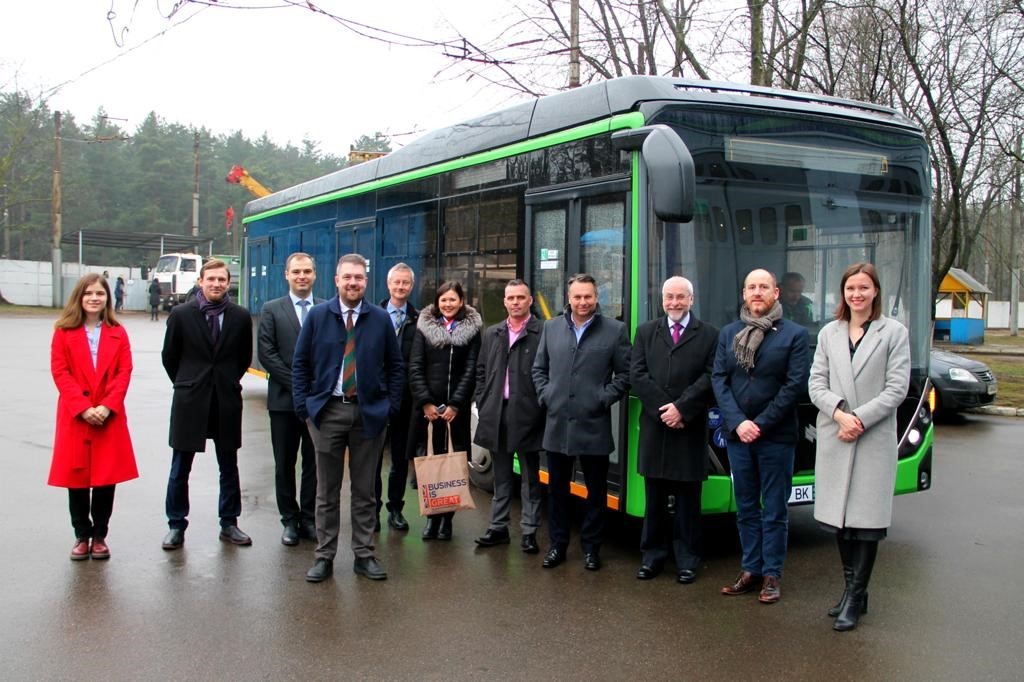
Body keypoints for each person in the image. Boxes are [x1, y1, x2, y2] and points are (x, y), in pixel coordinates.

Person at [808, 263, 910, 631]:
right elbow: (815, 383)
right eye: (851, 288)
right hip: (837, 433)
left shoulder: (893, 333)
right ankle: (854, 590)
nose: (857, 294)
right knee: (841, 522)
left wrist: (859, 419)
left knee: (866, 523)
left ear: (875, 292)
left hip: (871, 437)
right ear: (843, 293)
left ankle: (855, 594)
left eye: (864, 288)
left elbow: (897, 389)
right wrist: (839, 414)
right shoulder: (828, 333)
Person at [292, 254, 404, 583]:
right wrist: (305, 409)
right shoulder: (317, 316)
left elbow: (395, 367)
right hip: (327, 412)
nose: (353, 283)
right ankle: (324, 556)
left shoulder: (380, 319)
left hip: (368, 414)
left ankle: (364, 555)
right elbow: (300, 364)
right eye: (347, 277)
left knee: (365, 490)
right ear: (336, 281)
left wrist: (389, 407)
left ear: (366, 282)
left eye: (358, 277)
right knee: (326, 491)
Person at [712, 268, 809, 603]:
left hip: (776, 436)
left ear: (776, 293)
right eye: (751, 287)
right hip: (739, 436)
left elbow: (794, 385)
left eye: (763, 287)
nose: (757, 292)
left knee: (775, 510)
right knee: (747, 507)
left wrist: (761, 423)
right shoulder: (729, 333)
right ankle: (750, 569)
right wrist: (739, 422)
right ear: (743, 294)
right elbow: (719, 381)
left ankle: (772, 575)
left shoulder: (794, 335)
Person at [532, 273, 631, 571]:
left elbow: (626, 375)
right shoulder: (551, 328)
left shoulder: (615, 330)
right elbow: (539, 369)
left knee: (596, 492)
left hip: (593, 424)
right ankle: (557, 546)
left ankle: (591, 549)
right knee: (557, 491)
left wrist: (602, 398)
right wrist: (548, 395)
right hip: (558, 423)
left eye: (588, 296)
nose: (582, 302)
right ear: (568, 297)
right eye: (577, 296)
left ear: (596, 297)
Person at [160, 258, 253, 550]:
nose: (216, 284)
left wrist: (224, 381)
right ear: (201, 281)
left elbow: (243, 358)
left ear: (228, 283)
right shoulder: (181, 314)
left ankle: (229, 522)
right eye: (211, 279)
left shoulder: (239, 316)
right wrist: (187, 382)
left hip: (225, 399)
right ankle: (176, 524)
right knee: (180, 467)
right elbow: (170, 356)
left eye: (222, 280)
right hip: (190, 399)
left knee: (229, 465)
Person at [630, 276, 718, 584]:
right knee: (654, 499)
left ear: (691, 300)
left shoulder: (709, 334)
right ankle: (652, 557)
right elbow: (637, 375)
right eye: (669, 297)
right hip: (656, 428)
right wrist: (664, 410)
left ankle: (687, 559)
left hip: (689, 428)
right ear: (662, 300)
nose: (675, 303)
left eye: (681, 297)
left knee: (687, 501)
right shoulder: (645, 332)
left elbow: (711, 377)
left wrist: (682, 408)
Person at [49, 274, 138, 561]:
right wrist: (83, 407)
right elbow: (60, 372)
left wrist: (107, 405)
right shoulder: (63, 332)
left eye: (99, 293)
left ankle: (99, 535)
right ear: (79, 297)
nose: (94, 298)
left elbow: (124, 372)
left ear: (107, 299)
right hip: (76, 416)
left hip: (107, 416)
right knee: (76, 478)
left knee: (104, 478)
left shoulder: (117, 332)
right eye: (88, 293)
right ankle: (81, 535)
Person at [407, 280, 483, 542]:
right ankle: (431, 518)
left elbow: (472, 370)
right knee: (431, 464)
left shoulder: (472, 330)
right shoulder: (424, 328)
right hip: (428, 413)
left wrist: (456, 405)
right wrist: (426, 402)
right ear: (437, 302)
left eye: (453, 299)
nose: (448, 304)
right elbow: (415, 366)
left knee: (453, 465)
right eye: (443, 300)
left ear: (461, 301)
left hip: (455, 413)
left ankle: (447, 520)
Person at [473, 279, 545, 554]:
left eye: (521, 297)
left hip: (528, 415)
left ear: (530, 301)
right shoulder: (493, 333)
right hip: (496, 413)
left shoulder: (542, 332)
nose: (515, 302)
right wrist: (483, 399)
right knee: (500, 476)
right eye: (510, 298)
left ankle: (529, 531)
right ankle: (498, 528)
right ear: (504, 302)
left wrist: (540, 406)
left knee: (530, 477)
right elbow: (481, 370)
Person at [257, 252, 323, 546]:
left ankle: (308, 518)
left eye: (307, 271)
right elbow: (267, 355)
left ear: (314, 275)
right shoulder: (272, 310)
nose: (302, 276)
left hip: (317, 404)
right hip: (284, 402)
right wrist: (298, 386)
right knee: (284, 462)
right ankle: (289, 520)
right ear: (286, 274)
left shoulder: (325, 309)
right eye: (296, 271)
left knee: (313, 462)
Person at [376, 262, 419, 532]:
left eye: (405, 283)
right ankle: (372, 509)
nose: (400, 287)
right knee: (372, 459)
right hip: (375, 399)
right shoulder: (372, 315)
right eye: (396, 282)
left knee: (401, 459)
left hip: (406, 400)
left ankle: (395, 509)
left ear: (411, 286)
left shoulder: (419, 318)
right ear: (388, 284)